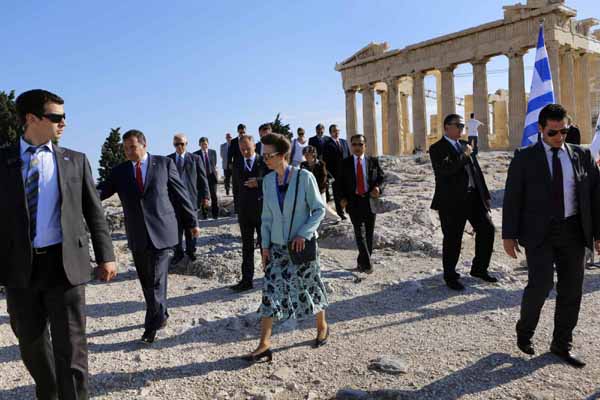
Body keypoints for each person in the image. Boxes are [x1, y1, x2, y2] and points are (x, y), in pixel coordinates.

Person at [0, 89, 117, 399]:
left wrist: (107, 256)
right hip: (19, 269)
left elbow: (94, 212)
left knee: (72, 349)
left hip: (64, 265)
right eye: (56, 117)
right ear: (31, 119)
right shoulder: (3, 160)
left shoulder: (74, 161)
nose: (64, 122)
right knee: (32, 344)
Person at [503, 103, 600, 367]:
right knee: (541, 284)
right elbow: (513, 198)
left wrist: (598, 234)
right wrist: (509, 235)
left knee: (572, 290)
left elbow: (595, 197)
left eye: (564, 132)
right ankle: (525, 330)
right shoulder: (524, 157)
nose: (559, 137)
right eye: (553, 133)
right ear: (541, 129)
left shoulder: (582, 155)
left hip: (573, 232)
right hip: (539, 233)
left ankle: (561, 344)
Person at [100, 129, 200, 344]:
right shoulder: (120, 172)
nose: (128, 151)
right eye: (125, 148)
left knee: (155, 279)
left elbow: (180, 193)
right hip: (137, 234)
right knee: (147, 282)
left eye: (132, 147)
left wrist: (192, 222)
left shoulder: (164, 164)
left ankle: (150, 327)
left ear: (144, 145)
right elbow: (100, 192)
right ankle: (161, 314)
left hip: (163, 232)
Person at [242, 133, 328, 363]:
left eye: (269, 155)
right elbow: (267, 217)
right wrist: (265, 246)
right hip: (277, 248)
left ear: (283, 155)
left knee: (309, 286)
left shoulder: (304, 177)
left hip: (301, 246)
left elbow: (319, 210)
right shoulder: (268, 181)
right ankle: (264, 343)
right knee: (270, 291)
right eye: (264, 156)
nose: (265, 159)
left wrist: (304, 233)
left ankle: (322, 325)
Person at [429, 114, 496, 291]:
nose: (461, 129)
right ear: (446, 127)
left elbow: (476, 172)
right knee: (453, 239)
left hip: (473, 197)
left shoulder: (465, 144)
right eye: (457, 125)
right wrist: (465, 155)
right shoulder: (437, 148)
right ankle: (450, 275)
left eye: (462, 126)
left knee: (487, 229)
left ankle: (479, 269)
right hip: (451, 202)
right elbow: (446, 170)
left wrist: (485, 196)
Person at [337, 134, 385, 273]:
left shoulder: (373, 161)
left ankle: (361, 262)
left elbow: (381, 178)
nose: (357, 147)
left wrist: (378, 188)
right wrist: (341, 198)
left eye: (360, 144)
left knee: (369, 233)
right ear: (351, 146)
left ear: (365, 146)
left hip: (369, 200)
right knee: (359, 232)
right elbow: (339, 184)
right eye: (354, 145)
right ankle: (368, 264)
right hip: (353, 201)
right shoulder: (345, 163)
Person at [231, 135, 269, 292]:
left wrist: (258, 183)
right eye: (242, 149)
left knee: (265, 246)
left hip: (262, 212)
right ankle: (246, 280)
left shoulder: (264, 161)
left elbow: (272, 180)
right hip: (244, 213)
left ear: (254, 146)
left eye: (248, 148)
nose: (245, 152)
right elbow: (235, 188)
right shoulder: (237, 163)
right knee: (246, 247)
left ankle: (269, 278)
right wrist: (238, 208)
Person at [167, 133, 209, 263]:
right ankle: (177, 253)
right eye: (176, 144)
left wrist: (206, 196)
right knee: (176, 228)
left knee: (192, 226)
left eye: (182, 144)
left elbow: (202, 179)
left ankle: (191, 251)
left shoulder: (195, 159)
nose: (179, 146)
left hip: (191, 199)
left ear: (186, 144)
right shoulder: (168, 160)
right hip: (174, 200)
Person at [322, 124, 350, 220]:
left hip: (346, 173)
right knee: (337, 194)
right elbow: (325, 161)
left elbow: (349, 156)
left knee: (347, 192)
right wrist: (330, 175)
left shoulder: (344, 142)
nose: (336, 132)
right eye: (334, 131)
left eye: (338, 130)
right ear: (330, 133)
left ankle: (348, 210)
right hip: (335, 174)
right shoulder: (327, 145)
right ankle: (340, 213)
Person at [194, 137, 219, 219]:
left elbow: (214, 164)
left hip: (212, 177)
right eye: (202, 144)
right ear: (199, 145)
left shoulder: (213, 152)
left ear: (208, 144)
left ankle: (215, 215)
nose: (204, 145)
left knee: (214, 196)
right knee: (203, 197)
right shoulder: (196, 154)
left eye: (205, 144)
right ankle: (205, 215)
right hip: (201, 178)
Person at [227, 123, 247, 214]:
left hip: (247, 167)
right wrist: (229, 163)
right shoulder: (234, 141)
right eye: (241, 131)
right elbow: (229, 154)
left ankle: (246, 207)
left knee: (246, 187)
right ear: (238, 131)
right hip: (236, 167)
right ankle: (237, 210)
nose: (242, 133)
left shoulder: (248, 140)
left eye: (244, 131)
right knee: (236, 188)